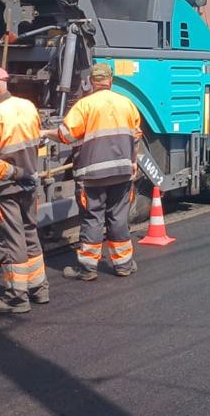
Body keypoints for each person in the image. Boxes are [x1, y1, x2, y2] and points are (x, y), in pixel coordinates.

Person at [47, 62, 143, 281]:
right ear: (111, 81)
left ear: (91, 81)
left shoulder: (84, 106)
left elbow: (66, 136)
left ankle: (88, 269)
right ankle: (124, 265)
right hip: (122, 171)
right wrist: (133, 163)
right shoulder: (127, 104)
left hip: (92, 176)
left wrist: (45, 133)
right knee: (118, 217)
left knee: (93, 218)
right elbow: (135, 137)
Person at [0, 64, 48, 314]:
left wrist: (14, 173)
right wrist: (25, 173)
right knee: (29, 234)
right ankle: (39, 289)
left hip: (4, 189)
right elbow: (36, 141)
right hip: (27, 185)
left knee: (11, 241)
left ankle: (16, 298)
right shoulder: (27, 106)